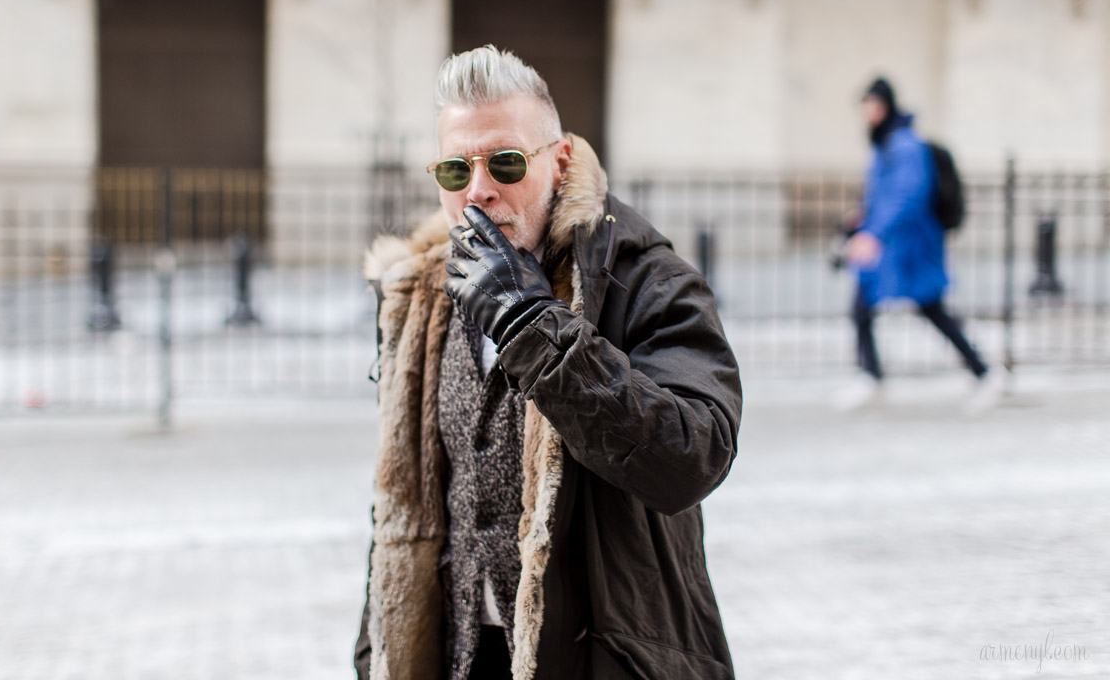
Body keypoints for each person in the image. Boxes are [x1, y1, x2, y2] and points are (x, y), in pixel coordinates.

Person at [353, 46, 742, 680]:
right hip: (458, 655)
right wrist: (375, 655)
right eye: (455, 170)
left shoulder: (646, 281)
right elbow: (406, 503)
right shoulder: (420, 298)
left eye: (505, 162)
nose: (479, 190)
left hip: (599, 657)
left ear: (560, 161)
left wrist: (528, 321)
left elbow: (692, 456)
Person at [837, 77, 1005, 412]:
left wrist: (874, 233)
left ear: (885, 106)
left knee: (933, 309)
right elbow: (884, 196)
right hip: (890, 246)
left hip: (909, 246)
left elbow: (908, 196)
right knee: (862, 306)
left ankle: (985, 373)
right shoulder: (885, 144)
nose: (867, 114)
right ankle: (872, 376)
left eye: (871, 106)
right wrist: (863, 219)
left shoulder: (905, 145)